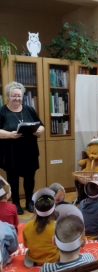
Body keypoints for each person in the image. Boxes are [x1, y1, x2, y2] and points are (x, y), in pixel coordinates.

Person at [0, 81, 45, 215]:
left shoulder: (29, 109)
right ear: (8, 96)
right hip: (11, 153)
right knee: (13, 179)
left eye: (19, 96)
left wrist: (39, 131)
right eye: (14, 96)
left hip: (29, 151)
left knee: (30, 178)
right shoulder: (2, 111)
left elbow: (41, 125)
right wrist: (9, 134)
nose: (17, 98)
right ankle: (16, 203)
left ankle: (30, 201)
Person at [22, 188, 59, 268]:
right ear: (54, 211)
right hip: (53, 259)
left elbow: (26, 245)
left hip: (34, 258)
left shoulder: (27, 226)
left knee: (29, 251)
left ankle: (35, 261)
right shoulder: (57, 226)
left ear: (35, 210)